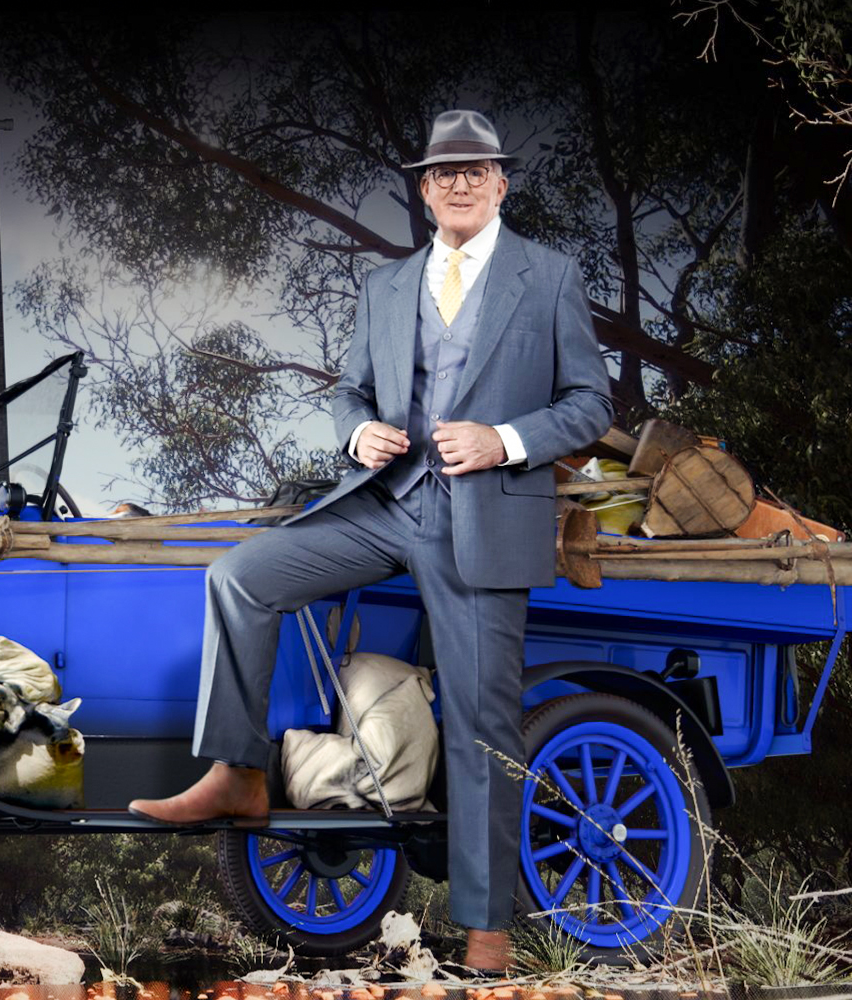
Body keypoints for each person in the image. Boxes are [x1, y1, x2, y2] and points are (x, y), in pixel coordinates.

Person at [127, 109, 614, 972]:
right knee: (241, 577)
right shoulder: (388, 286)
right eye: (442, 173)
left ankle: (487, 932)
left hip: (486, 519)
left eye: (476, 170)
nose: (459, 183)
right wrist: (358, 436)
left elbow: (590, 404)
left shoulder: (550, 276)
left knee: (481, 726)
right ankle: (238, 777)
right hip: (389, 503)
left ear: (500, 183)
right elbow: (348, 393)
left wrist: (502, 439)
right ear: (425, 192)